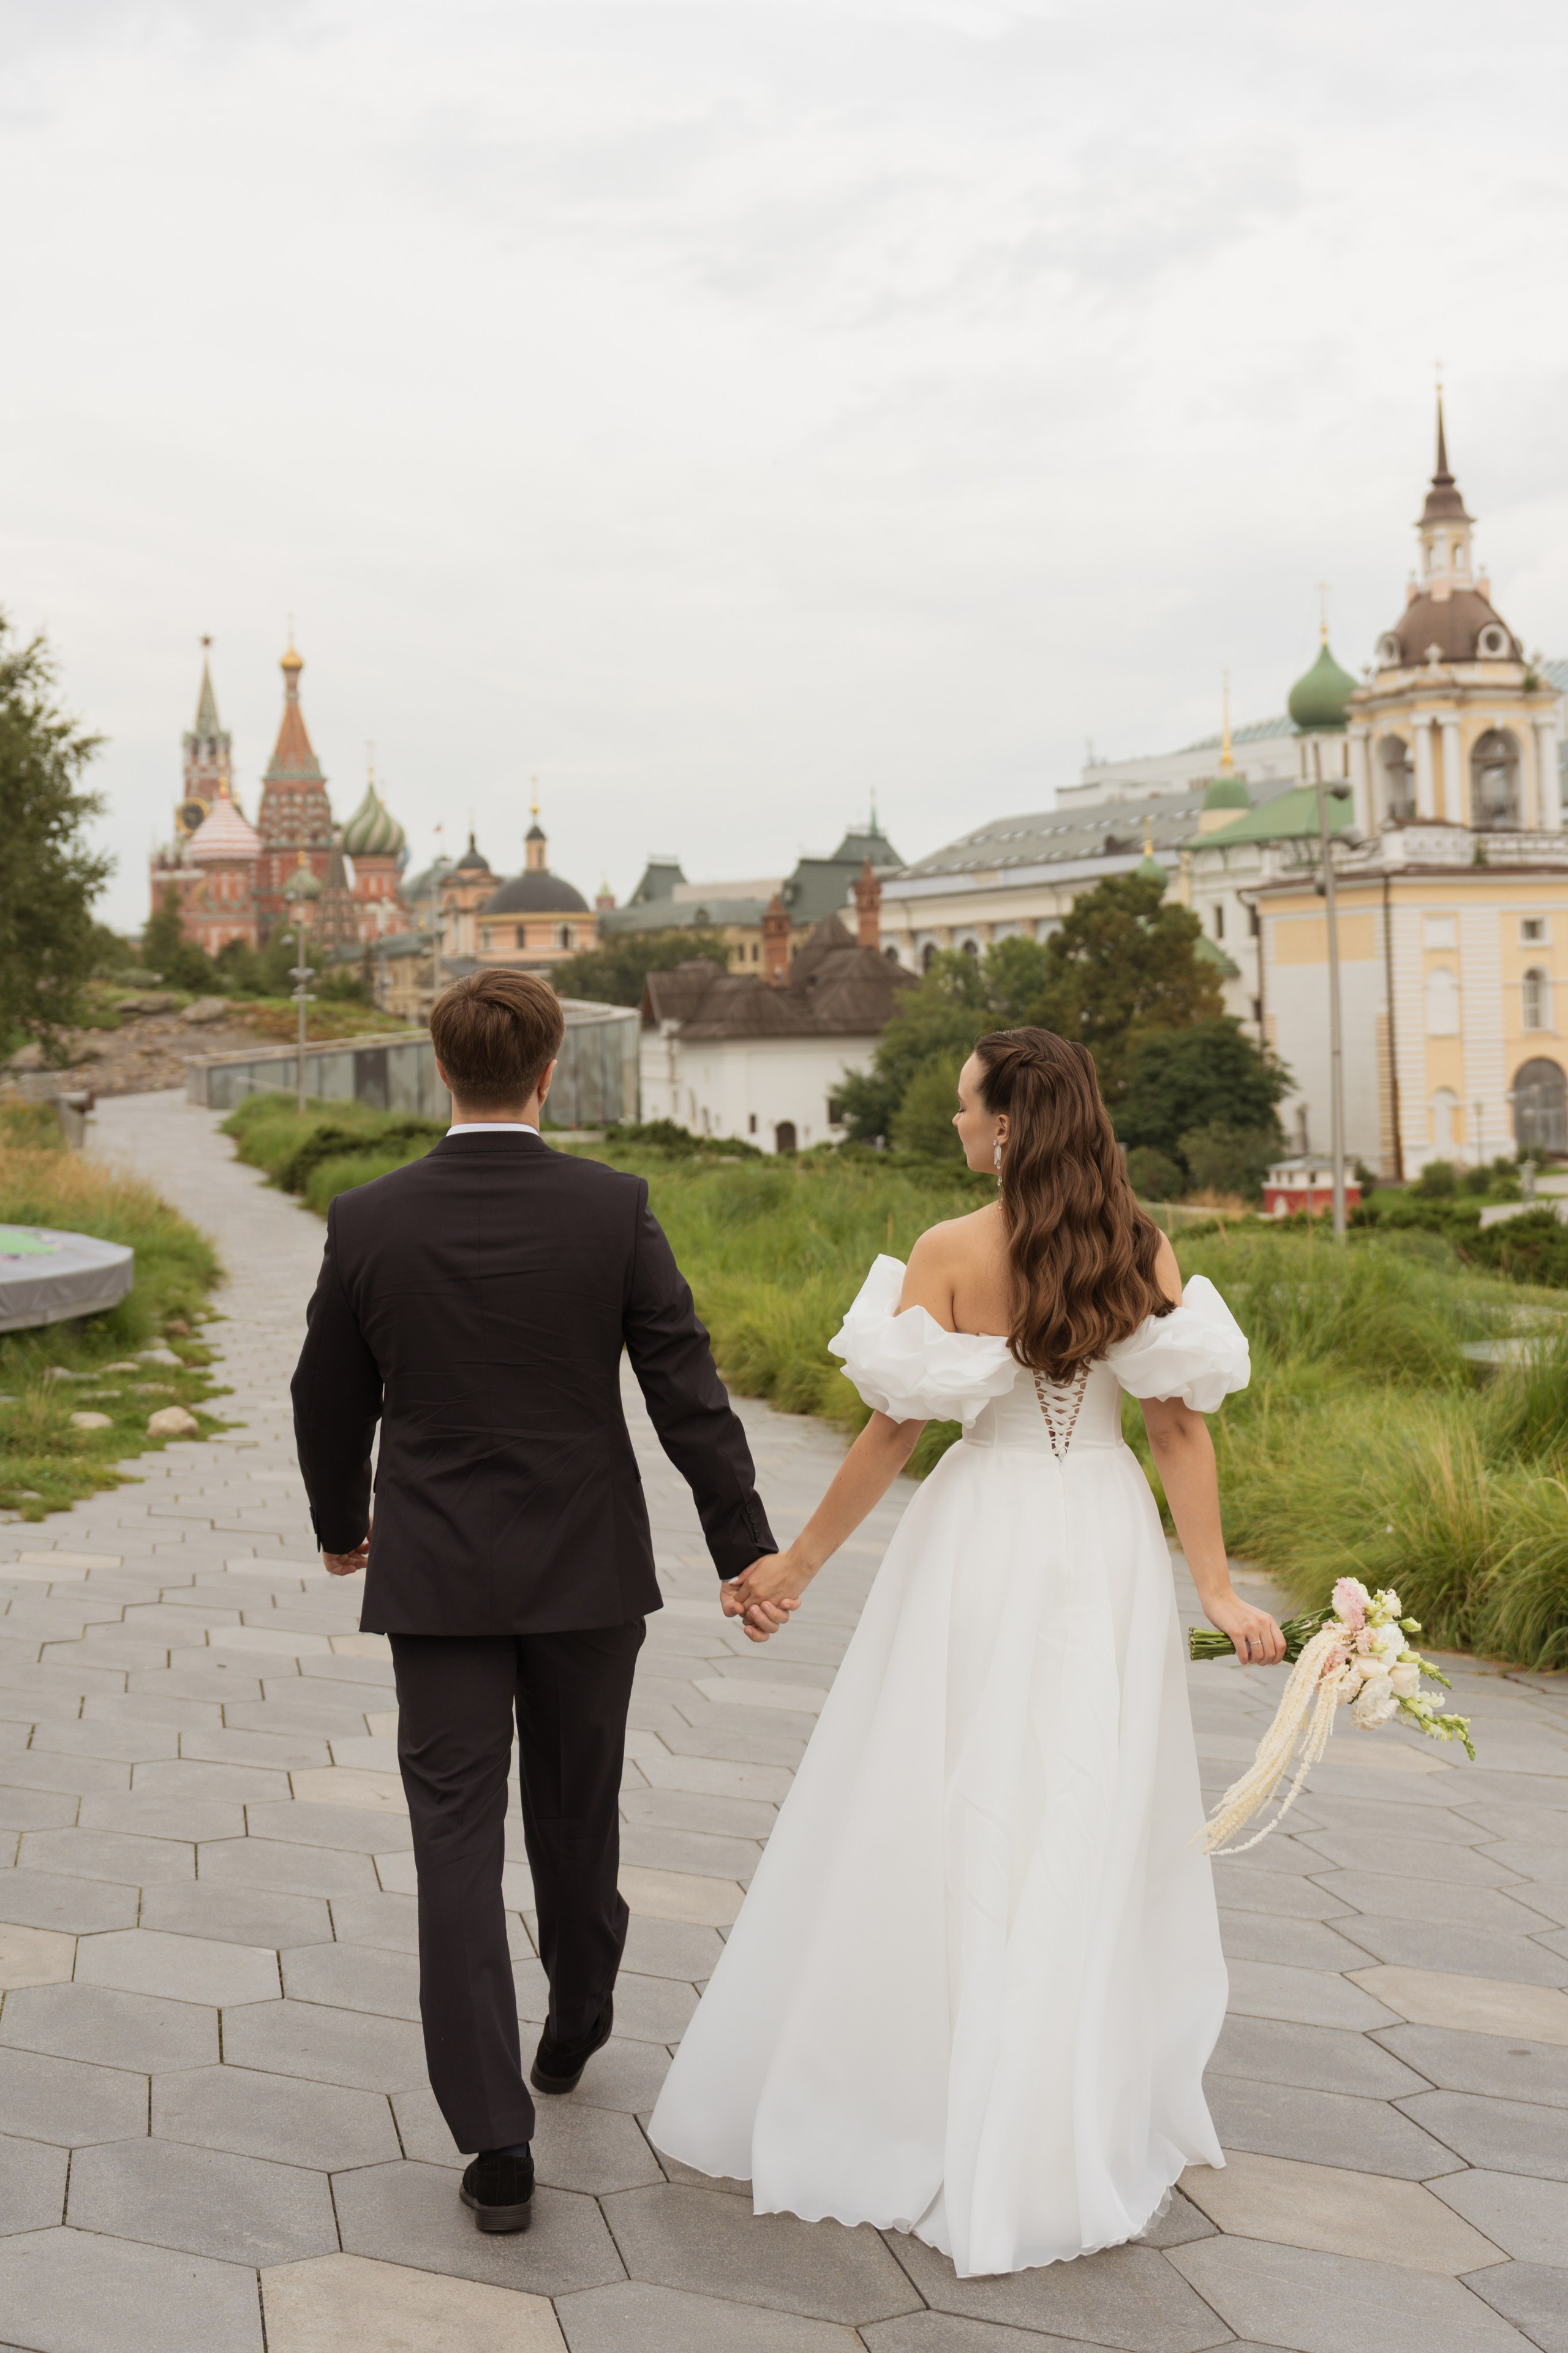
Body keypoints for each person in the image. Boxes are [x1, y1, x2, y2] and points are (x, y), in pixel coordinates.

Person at [649, 1027, 1283, 2279]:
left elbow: (891, 1435)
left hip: (981, 1537)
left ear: (1005, 1125)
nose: (951, 1125)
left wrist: (792, 1568)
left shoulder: (947, 1252)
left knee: (941, 1800)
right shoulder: (1136, 1245)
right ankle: (1054, 2090)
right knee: (1079, 1804)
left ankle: (922, 2080)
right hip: (1100, 1540)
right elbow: (1173, 1426)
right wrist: (1209, 1586)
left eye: (960, 1108)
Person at [290, 969, 776, 2235]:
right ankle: (577, 2009)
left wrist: (345, 1522)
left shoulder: (369, 1216)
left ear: (436, 1070)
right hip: (583, 1568)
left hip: (439, 1570)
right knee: (575, 1809)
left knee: (453, 1839)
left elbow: (320, 1393)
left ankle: (494, 2140)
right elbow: (685, 1386)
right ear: (549, 1069)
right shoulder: (612, 1207)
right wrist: (742, 1545)